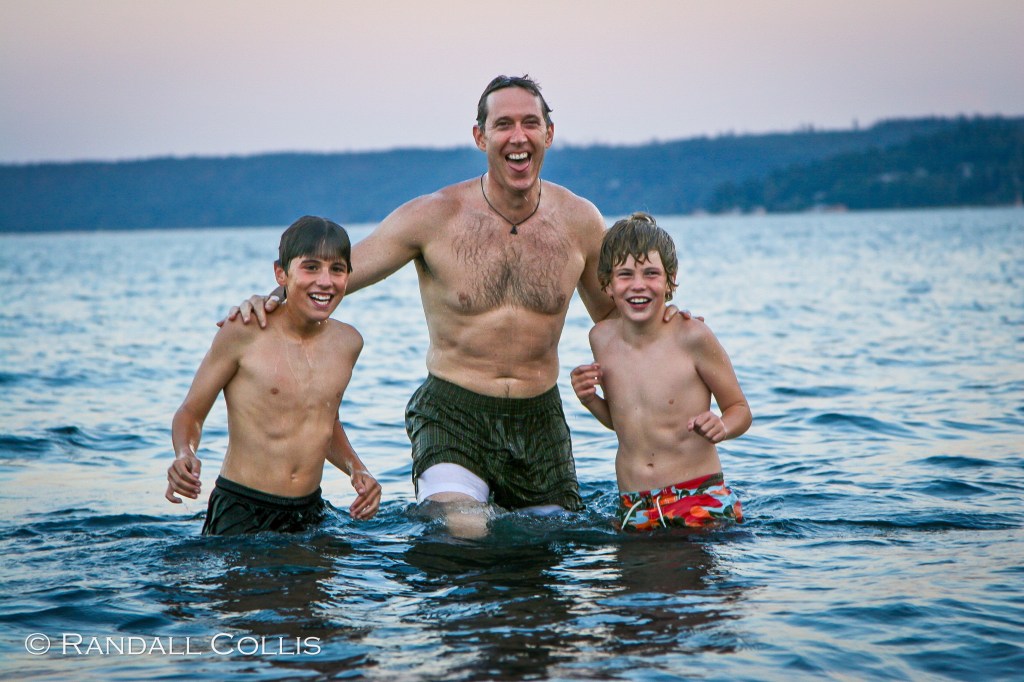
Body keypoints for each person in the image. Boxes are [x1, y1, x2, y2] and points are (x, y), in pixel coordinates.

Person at [226, 76, 685, 528]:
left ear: (548, 133)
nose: (518, 137)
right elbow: (336, 277)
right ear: (480, 137)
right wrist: (272, 299)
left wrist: (671, 325)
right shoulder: (434, 216)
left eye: (530, 123)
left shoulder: (580, 221)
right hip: (452, 413)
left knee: (549, 542)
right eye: (503, 124)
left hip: (539, 418)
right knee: (463, 531)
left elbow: (615, 316)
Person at [167, 216, 381, 535]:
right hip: (243, 509)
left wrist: (357, 469)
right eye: (311, 267)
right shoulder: (243, 332)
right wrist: (185, 454)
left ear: (348, 276)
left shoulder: (348, 343)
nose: (325, 281)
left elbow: (322, 420)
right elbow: (191, 412)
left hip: (310, 511)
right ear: (281, 273)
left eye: (337, 269)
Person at [571, 212, 750, 531]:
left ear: (669, 280)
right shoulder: (601, 339)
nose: (638, 285)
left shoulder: (692, 335)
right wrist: (589, 399)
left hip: (698, 497)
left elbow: (740, 409)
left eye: (651, 273)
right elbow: (625, 425)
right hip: (633, 505)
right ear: (607, 284)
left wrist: (722, 425)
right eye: (625, 274)